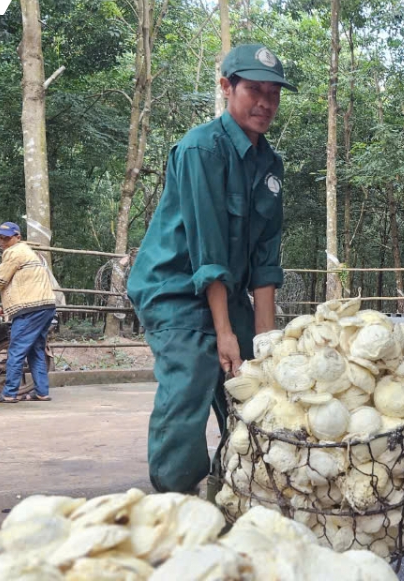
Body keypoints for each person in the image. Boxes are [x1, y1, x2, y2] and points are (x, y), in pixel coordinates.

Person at [127, 44, 293, 496]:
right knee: (195, 376)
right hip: (176, 288)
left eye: (273, 94)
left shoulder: (269, 165)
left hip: (227, 292)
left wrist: (262, 343)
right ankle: (173, 499)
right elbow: (208, 249)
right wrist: (223, 332)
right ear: (226, 88)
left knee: (257, 384)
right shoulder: (203, 148)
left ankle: (233, 486)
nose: (265, 103)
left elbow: (265, 259)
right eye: (253, 90)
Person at [0, 222, 58, 404]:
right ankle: (41, 392)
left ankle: (9, 393)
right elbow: (22, 284)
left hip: (31, 309)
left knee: (16, 350)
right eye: (0, 237)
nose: (3, 241)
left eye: (7, 238)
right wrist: (8, 306)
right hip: (45, 306)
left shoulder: (14, 252)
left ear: (17, 237)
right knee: (36, 349)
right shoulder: (28, 253)